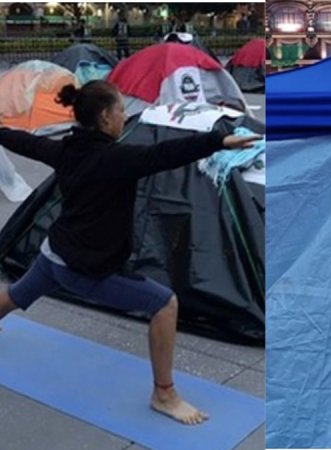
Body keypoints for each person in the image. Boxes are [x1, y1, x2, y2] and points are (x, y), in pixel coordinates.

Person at [0, 80, 260, 425]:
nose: (125, 115)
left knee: (17, 295)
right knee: (165, 304)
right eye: (121, 109)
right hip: (80, 266)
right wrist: (218, 140)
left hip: (54, 253)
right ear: (106, 117)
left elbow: (25, 142)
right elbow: (167, 154)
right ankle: (164, 393)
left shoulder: (66, 150)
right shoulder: (117, 159)